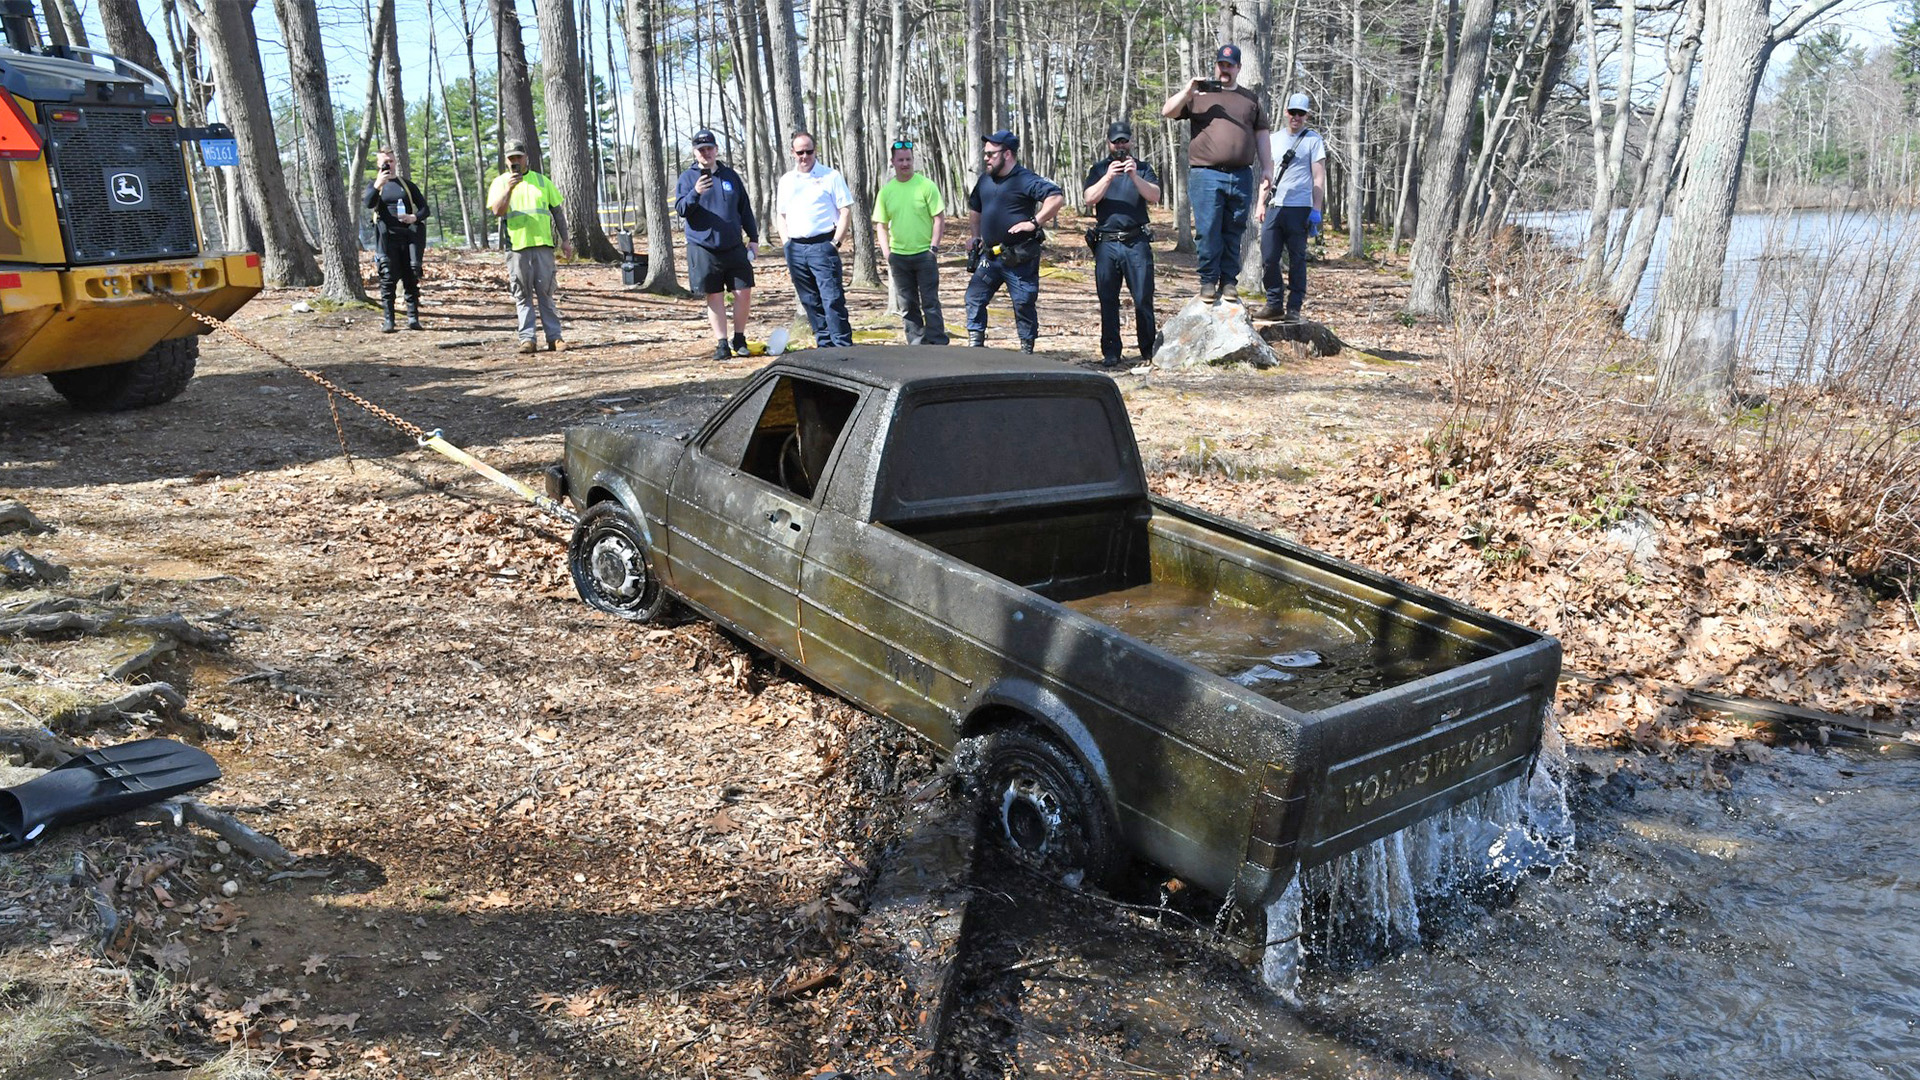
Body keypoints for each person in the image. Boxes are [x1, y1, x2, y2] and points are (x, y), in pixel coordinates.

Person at [1160, 43, 1272, 304]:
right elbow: (1168, 111)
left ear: (1238, 68)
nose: (1225, 69)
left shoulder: (1250, 99)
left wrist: (1267, 167)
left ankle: (1229, 282)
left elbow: (1262, 135)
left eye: (1230, 65)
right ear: (1216, 65)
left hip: (1241, 175)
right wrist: (1188, 90)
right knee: (1208, 230)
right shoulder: (1199, 95)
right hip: (1206, 175)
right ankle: (1208, 281)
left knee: (1234, 229)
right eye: (1221, 64)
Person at [963, 130, 1064, 353]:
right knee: (974, 297)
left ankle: (1026, 349)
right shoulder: (985, 180)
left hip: (1018, 256)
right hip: (990, 256)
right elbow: (975, 208)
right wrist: (975, 236)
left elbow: (1056, 197)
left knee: (1023, 302)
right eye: (985, 154)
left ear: (1007, 154)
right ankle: (975, 345)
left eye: (991, 154)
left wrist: (1034, 222)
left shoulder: (1025, 179)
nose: (986, 158)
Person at [673, 129, 760, 361]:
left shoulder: (730, 176)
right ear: (695, 152)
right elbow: (681, 209)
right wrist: (695, 193)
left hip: (733, 245)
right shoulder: (687, 178)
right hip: (703, 246)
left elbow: (745, 209)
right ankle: (721, 343)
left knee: (743, 292)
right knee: (714, 296)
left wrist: (753, 238)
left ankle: (739, 338)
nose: (706, 153)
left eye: (710, 148)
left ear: (716, 150)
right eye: (701, 150)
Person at [1082, 121, 1161, 366]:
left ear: (1131, 142)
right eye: (1115, 142)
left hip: (1136, 242)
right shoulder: (1098, 169)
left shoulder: (1144, 168)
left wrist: (1133, 176)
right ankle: (1111, 352)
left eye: (1124, 141)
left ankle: (1148, 350)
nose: (1120, 146)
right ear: (1108, 143)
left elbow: (1155, 196)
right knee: (1108, 299)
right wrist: (1108, 177)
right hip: (1106, 243)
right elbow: (1088, 199)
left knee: (1142, 298)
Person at [485, 141, 572, 353]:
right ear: (506, 161)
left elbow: (557, 212)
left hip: (542, 246)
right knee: (522, 294)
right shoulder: (499, 183)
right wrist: (509, 188)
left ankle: (554, 337)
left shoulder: (542, 182)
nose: (515, 162)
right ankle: (527, 339)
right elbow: (497, 210)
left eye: (518, 157)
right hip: (516, 248)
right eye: (511, 158)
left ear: (526, 158)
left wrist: (566, 240)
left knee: (546, 293)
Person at [775, 131, 855, 348]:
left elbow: (845, 210)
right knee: (810, 300)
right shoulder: (786, 181)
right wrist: (786, 244)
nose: (805, 156)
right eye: (800, 152)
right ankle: (824, 345)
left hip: (823, 245)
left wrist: (835, 243)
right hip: (796, 248)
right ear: (793, 153)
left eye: (809, 151)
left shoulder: (831, 176)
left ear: (815, 150)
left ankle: (842, 346)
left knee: (832, 300)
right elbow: (781, 215)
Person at [1257, 93, 1328, 323]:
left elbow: (1318, 178)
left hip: (1299, 208)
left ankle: (1294, 307)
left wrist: (1315, 210)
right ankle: (1274, 302)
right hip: (1276, 205)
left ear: (1306, 115)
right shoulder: (1274, 139)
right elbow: (1267, 174)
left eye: (1301, 113)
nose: (1296, 117)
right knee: (1269, 256)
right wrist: (1260, 203)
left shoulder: (1313, 141)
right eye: (1293, 112)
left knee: (1297, 258)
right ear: (1287, 112)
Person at [872, 139, 949, 346]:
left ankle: (938, 344)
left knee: (930, 302)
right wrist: (888, 253)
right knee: (907, 305)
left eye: (908, 159)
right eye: (900, 160)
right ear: (893, 162)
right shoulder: (886, 192)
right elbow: (881, 224)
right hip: (899, 257)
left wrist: (933, 247)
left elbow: (939, 218)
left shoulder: (926, 186)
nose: (905, 164)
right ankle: (916, 345)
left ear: (913, 160)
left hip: (925, 255)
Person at [364, 148, 430, 333]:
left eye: (391, 161)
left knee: (411, 276)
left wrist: (414, 218)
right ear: (378, 164)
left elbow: (425, 209)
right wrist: (378, 185)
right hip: (387, 238)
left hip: (408, 236)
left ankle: (413, 318)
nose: (389, 165)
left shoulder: (406, 185)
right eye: (385, 162)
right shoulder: (375, 185)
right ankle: (389, 320)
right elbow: (368, 203)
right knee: (388, 279)